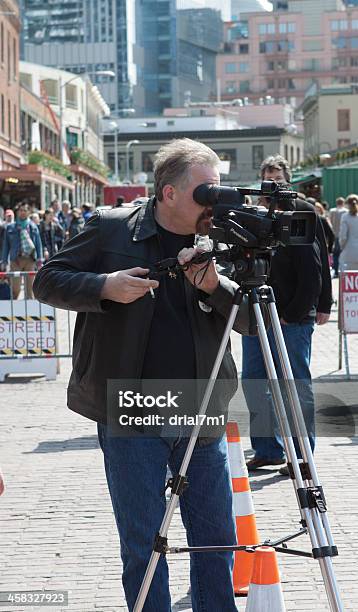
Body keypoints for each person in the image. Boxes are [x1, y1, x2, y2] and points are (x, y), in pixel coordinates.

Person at [33, 138, 243, 612]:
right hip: (130, 409)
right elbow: (47, 279)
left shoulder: (223, 236)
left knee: (215, 536)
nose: (216, 200)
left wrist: (217, 284)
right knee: (143, 541)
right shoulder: (109, 229)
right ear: (169, 193)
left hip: (200, 406)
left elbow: (250, 317)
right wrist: (105, 286)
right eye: (206, 191)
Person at [242, 154, 332, 473]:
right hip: (257, 313)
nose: (273, 184)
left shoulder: (300, 213)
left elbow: (314, 268)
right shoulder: (253, 215)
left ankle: (302, 455)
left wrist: (313, 307)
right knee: (254, 379)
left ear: (288, 180)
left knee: (293, 384)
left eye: (278, 178)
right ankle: (268, 448)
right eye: (267, 178)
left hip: (291, 316)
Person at [1, 202, 43, 299]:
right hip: (15, 260)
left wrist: (39, 260)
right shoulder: (10, 227)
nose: (22, 212)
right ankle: (12, 312)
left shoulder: (33, 227)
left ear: (28, 212)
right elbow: (6, 246)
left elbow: (38, 244)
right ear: (17, 212)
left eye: (25, 210)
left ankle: (31, 313)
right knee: (15, 289)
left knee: (30, 290)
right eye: (20, 210)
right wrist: (3, 261)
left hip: (30, 260)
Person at [339, 194, 358, 271]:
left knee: (348, 277)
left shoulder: (345, 217)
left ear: (347, 204)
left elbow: (343, 236)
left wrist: (342, 247)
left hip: (349, 251)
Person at [330, 197, 347, 277]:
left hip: (335, 235)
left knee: (335, 254)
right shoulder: (346, 212)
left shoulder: (332, 211)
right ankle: (343, 271)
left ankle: (336, 271)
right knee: (342, 254)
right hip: (344, 236)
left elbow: (331, 223)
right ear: (343, 203)